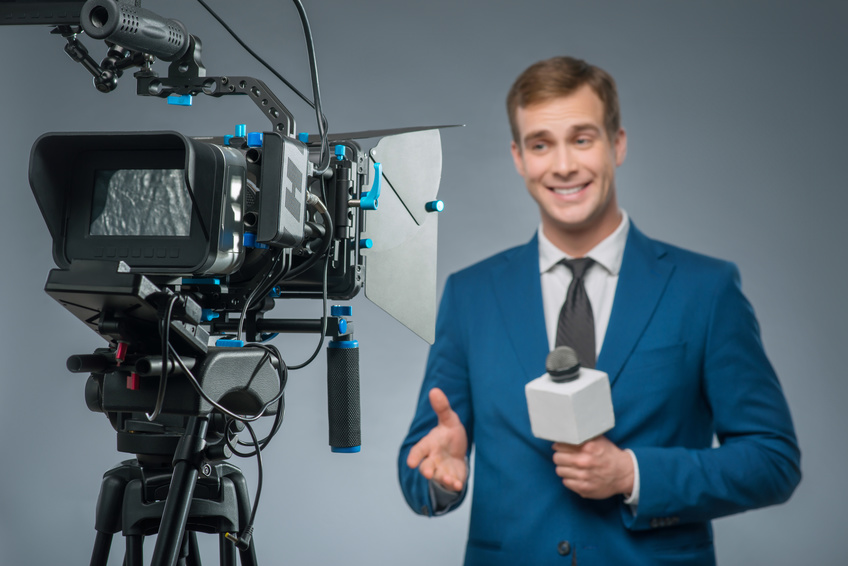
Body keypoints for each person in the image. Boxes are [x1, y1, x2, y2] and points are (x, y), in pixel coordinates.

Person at [397, 56, 801, 565]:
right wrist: (438, 475)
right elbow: (422, 462)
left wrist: (633, 474)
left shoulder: (706, 290)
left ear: (618, 144)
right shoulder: (469, 295)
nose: (563, 165)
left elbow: (774, 460)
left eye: (582, 139)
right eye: (541, 144)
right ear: (519, 157)